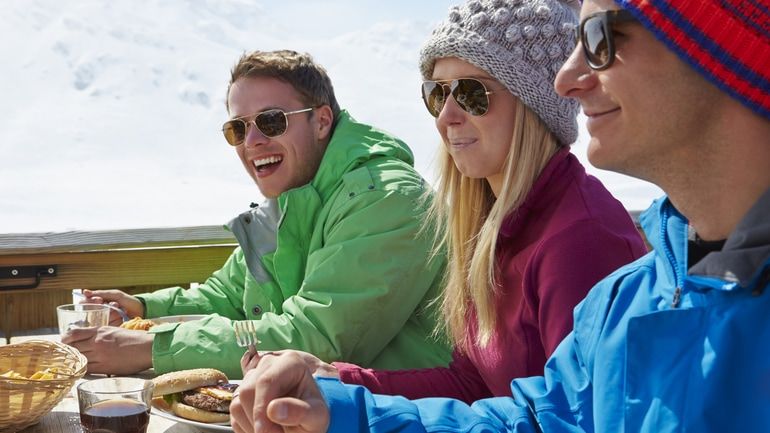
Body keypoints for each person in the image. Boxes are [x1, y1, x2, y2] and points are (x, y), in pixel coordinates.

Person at [229, 0, 770, 431]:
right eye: (436, 93)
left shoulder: (583, 239)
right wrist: (342, 395)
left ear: (717, 50)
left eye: (602, 41)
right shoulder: (630, 293)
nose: (569, 78)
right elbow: (525, 408)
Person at [62, 50, 452, 378]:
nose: (252, 141)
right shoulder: (286, 202)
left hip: (402, 414)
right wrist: (145, 309)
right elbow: (229, 297)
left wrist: (152, 348)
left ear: (321, 121)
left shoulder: (384, 198)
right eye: (237, 128)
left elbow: (318, 337)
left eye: (271, 121)